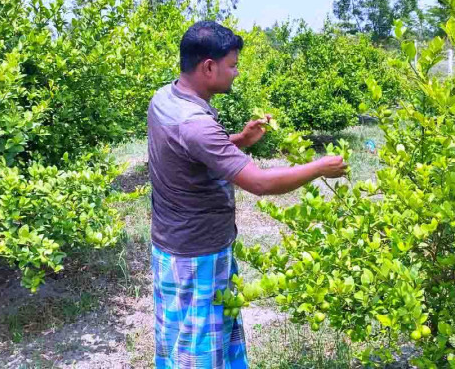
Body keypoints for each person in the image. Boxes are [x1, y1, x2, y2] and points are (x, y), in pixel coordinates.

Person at [147, 20, 348, 369]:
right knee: (200, 355)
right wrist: (319, 167)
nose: (237, 73)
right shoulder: (196, 124)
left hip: (172, 246)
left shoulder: (166, 98)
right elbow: (259, 183)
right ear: (208, 66)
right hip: (199, 255)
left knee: (179, 342)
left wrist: (240, 140)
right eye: (233, 65)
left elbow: (189, 154)